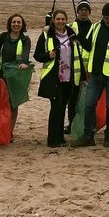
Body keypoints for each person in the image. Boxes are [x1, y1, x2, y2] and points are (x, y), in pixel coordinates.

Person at [71, 2, 109, 148]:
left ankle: (108, 136)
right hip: (96, 74)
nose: (107, 20)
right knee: (88, 104)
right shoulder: (96, 26)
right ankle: (88, 136)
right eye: (104, 17)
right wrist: (79, 36)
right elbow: (88, 46)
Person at [34, 10, 84, 147]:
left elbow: (78, 56)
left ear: (66, 20)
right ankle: (52, 140)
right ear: (53, 20)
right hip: (53, 78)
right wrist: (48, 55)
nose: (60, 21)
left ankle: (60, 137)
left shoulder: (72, 35)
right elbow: (37, 55)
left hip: (69, 78)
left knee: (63, 108)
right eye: (58, 19)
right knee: (56, 108)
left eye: (63, 19)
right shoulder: (46, 35)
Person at [0, 13, 32, 137]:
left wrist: (24, 63)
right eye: (14, 22)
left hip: (16, 77)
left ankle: (9, 132)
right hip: (1, 75)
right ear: (9, 24)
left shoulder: (25, 39)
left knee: (13, 104)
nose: (16, 24)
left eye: (18, 22)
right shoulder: (2, 37)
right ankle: (0, 129)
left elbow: (26, 54)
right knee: (1, 104)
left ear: (22, 25)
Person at [64, 0, 93, 135]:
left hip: (88, 68)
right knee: (72, 98)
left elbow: (89, 46)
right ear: (77, 11)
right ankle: (72, 123)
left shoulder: (94, 28)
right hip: (72, 68)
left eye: (86, 10)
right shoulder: (70, 26)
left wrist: (79, 36)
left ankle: (88, 124)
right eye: (81, 9)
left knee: (87, 99)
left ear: (89, 12)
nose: (83, 12)